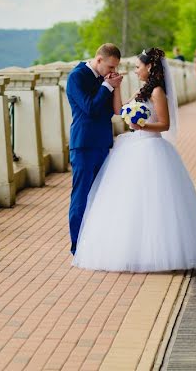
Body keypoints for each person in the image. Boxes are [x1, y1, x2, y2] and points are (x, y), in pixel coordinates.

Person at [72, 48, 196, 272]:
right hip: (133, 146)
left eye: (138, 67)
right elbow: (120, 110)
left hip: (152, 146)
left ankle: (160, 252)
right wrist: (116, 87)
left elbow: (165, 124)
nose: (134, 71)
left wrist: (143, 125)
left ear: (149, 67)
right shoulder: (142, 90)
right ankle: (133, 250)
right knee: (132, 202)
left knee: (155, 202)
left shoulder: (157, 92)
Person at [65, 43, 123, 255]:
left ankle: (96, 243)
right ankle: (77, 246)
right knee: (81, 195)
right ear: (99, 60)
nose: (113, 72)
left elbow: (111, 111)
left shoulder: (105, 79)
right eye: (110, 67)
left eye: (115, 68)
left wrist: (115, 87)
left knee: (100, 195)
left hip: (103, 143)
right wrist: (107, 87)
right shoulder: (77, 77)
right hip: (84, 145)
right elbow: (89, 108)